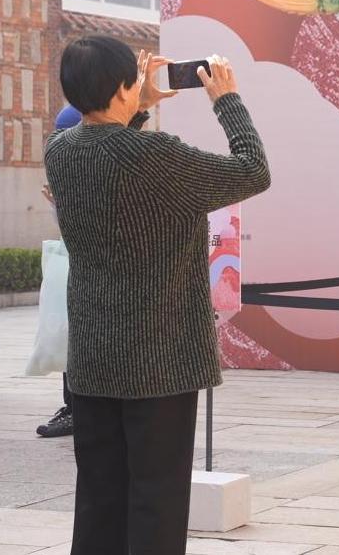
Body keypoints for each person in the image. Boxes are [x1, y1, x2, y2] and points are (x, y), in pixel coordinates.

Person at [44, 35, 270, 555]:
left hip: (93, 356)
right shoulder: (157, 155)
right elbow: (253, 170)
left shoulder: (60, 151)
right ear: (122, 87)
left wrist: (138, 104)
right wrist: (227, 101)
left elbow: (113, 155)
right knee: (157, 500)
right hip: (159, 358)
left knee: (99, 497)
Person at [36, 104, 82, 439]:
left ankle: (81, 410)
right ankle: (74, 407)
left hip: (101, 275)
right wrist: (58, 205)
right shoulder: (68, 173)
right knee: (70, 336)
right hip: (77, 268)